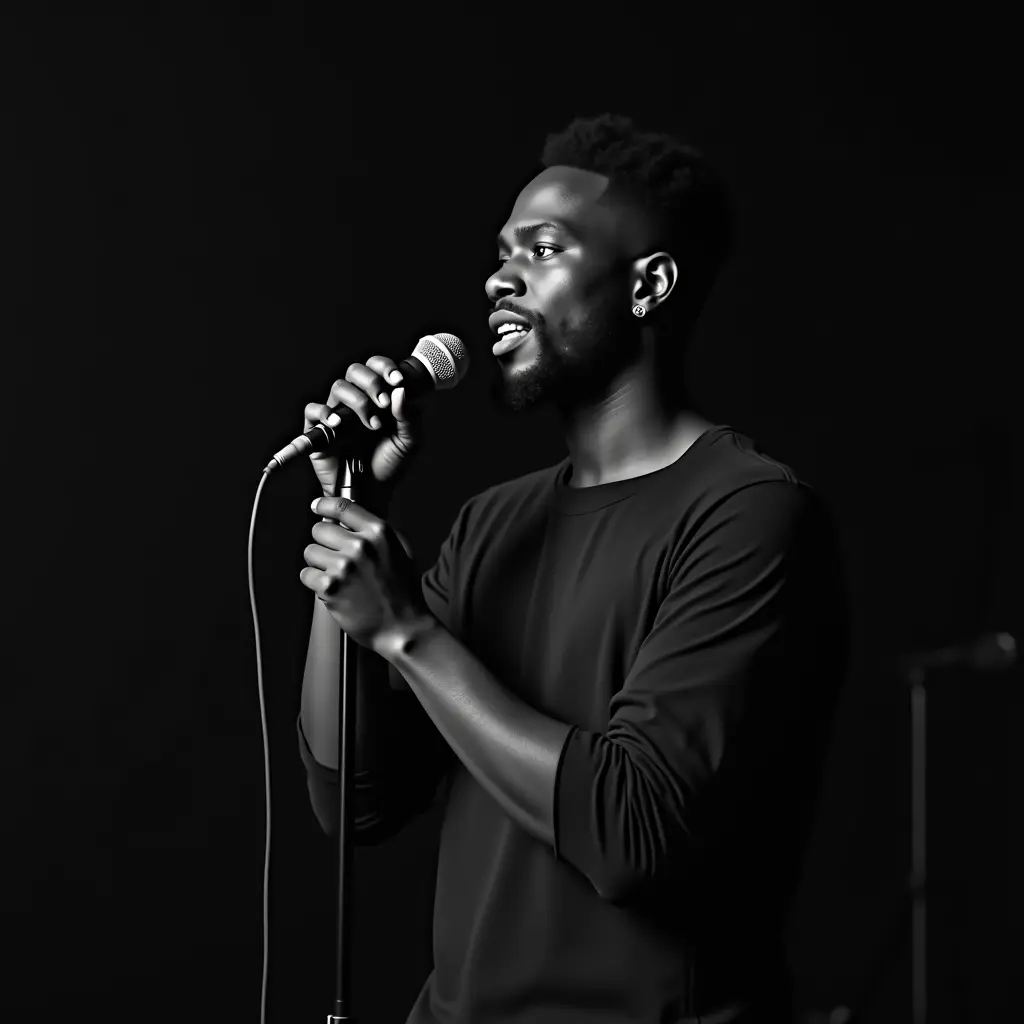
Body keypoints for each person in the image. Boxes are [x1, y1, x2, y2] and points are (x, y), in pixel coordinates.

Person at [296, 113, 851, 1024]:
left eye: (544, 249)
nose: (498, 278)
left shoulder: (752, 516)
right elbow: (353, 802)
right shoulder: (493, 524)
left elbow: (635, 835)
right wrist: (355, 505)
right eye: (500, 252)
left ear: (650, 285)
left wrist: (405, 631)